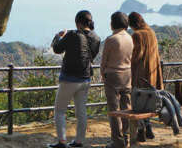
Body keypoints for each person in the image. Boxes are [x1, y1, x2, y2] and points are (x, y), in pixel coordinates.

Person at [49, 10, 101, 148]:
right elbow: (91, 56)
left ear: (78, 22)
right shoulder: (97, 38)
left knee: (59, 111)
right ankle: (79, 141)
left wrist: (58, 36)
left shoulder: (73, 34)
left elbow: (57, 49)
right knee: (81, 111)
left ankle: (61, 142)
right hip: (85, 79)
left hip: (69, 79)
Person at [128, 11, 163, 141]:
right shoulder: (152, 33)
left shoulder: (137, 35)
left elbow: (136, 56)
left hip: (140, 74)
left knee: (139, 104)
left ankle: (142, 131)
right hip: (153, 74)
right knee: (148, 102)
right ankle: (148, 128)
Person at [101, 11, 134, 148]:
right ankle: (127, 138)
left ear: (113, 23)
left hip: (113, 75)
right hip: (127, 74)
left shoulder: (111, 39)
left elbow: (104, 61)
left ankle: (117, 141)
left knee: (114, 110)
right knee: (127, 107)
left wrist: (103, 74)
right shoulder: (130, 38)